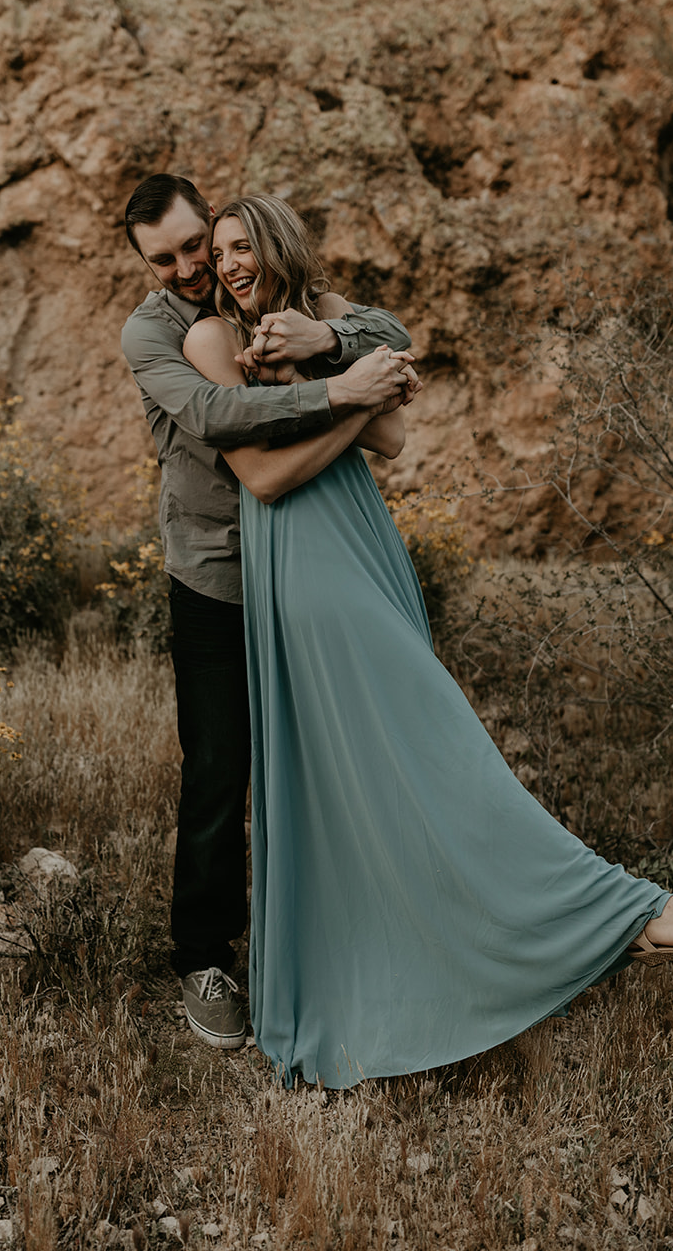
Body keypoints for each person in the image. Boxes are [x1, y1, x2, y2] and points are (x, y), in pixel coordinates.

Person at [181, 193, 673, 1089]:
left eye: (241, 243)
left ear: (277, 243)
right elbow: (263, 478)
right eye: (217, 251)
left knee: (389, 767)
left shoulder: (331, 317)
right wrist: (352, 393)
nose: (228, 263)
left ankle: (426, 963)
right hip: (300, 563)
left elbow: (398, 435)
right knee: (438, 750)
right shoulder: (213, 342)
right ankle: (627, 913)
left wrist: (337, 364)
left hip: (365, 542)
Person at [120, 173, 418, 1050]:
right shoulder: (154, 332)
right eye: (166, 258)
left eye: (195, 247)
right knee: (219, 768)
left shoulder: (271, 300)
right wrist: (342, 392)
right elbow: (217, 414)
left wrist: (329, 339)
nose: (188, 268)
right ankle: (203, 956)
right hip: (217, 575)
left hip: (309, 569)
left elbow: (388, 334)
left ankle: (349, 932)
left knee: (324, 758)